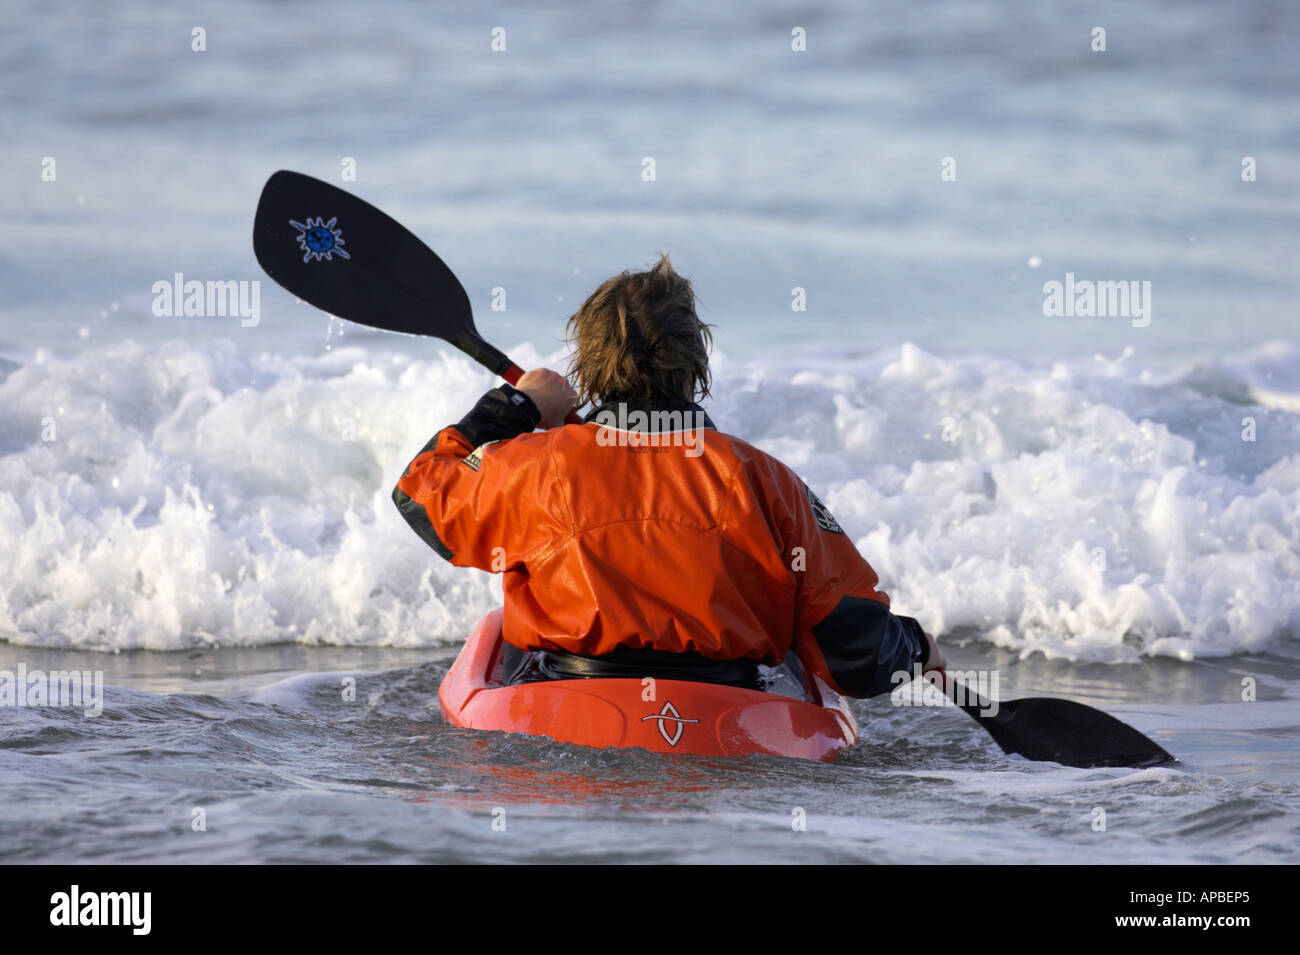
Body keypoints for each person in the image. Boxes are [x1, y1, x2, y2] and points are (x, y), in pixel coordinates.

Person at [393, 254, 945, 698]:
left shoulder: (535, 465)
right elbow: (858, 656)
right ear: (694, 365)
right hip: (728, 709)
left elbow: (419, 493)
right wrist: (918, 647)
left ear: (588, 367)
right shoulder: (766, 479)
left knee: (501, 630)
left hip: (568, 698)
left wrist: (517, 407)